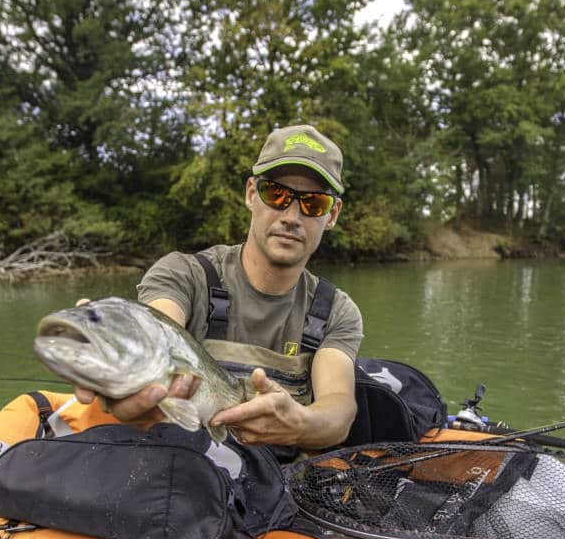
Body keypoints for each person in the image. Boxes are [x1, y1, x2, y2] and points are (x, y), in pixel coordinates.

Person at [73, 123, 363, 450]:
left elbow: (339, 408)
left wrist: (301, 424)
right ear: (251, 194)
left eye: (313, 204)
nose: (292, 216)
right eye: (276, 194)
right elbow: (155, 328)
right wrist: (111, 336)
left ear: (333, 214)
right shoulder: (184, 274)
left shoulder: (336, 310)